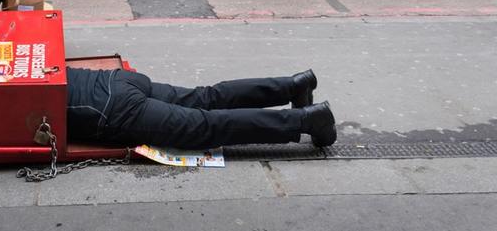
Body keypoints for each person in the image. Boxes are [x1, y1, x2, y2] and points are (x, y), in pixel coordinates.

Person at [66, 67, 336, 149]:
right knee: (206, 97)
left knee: (204, 126)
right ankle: (294, 86)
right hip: (115, 80)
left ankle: (308, 120)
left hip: (112, 108)